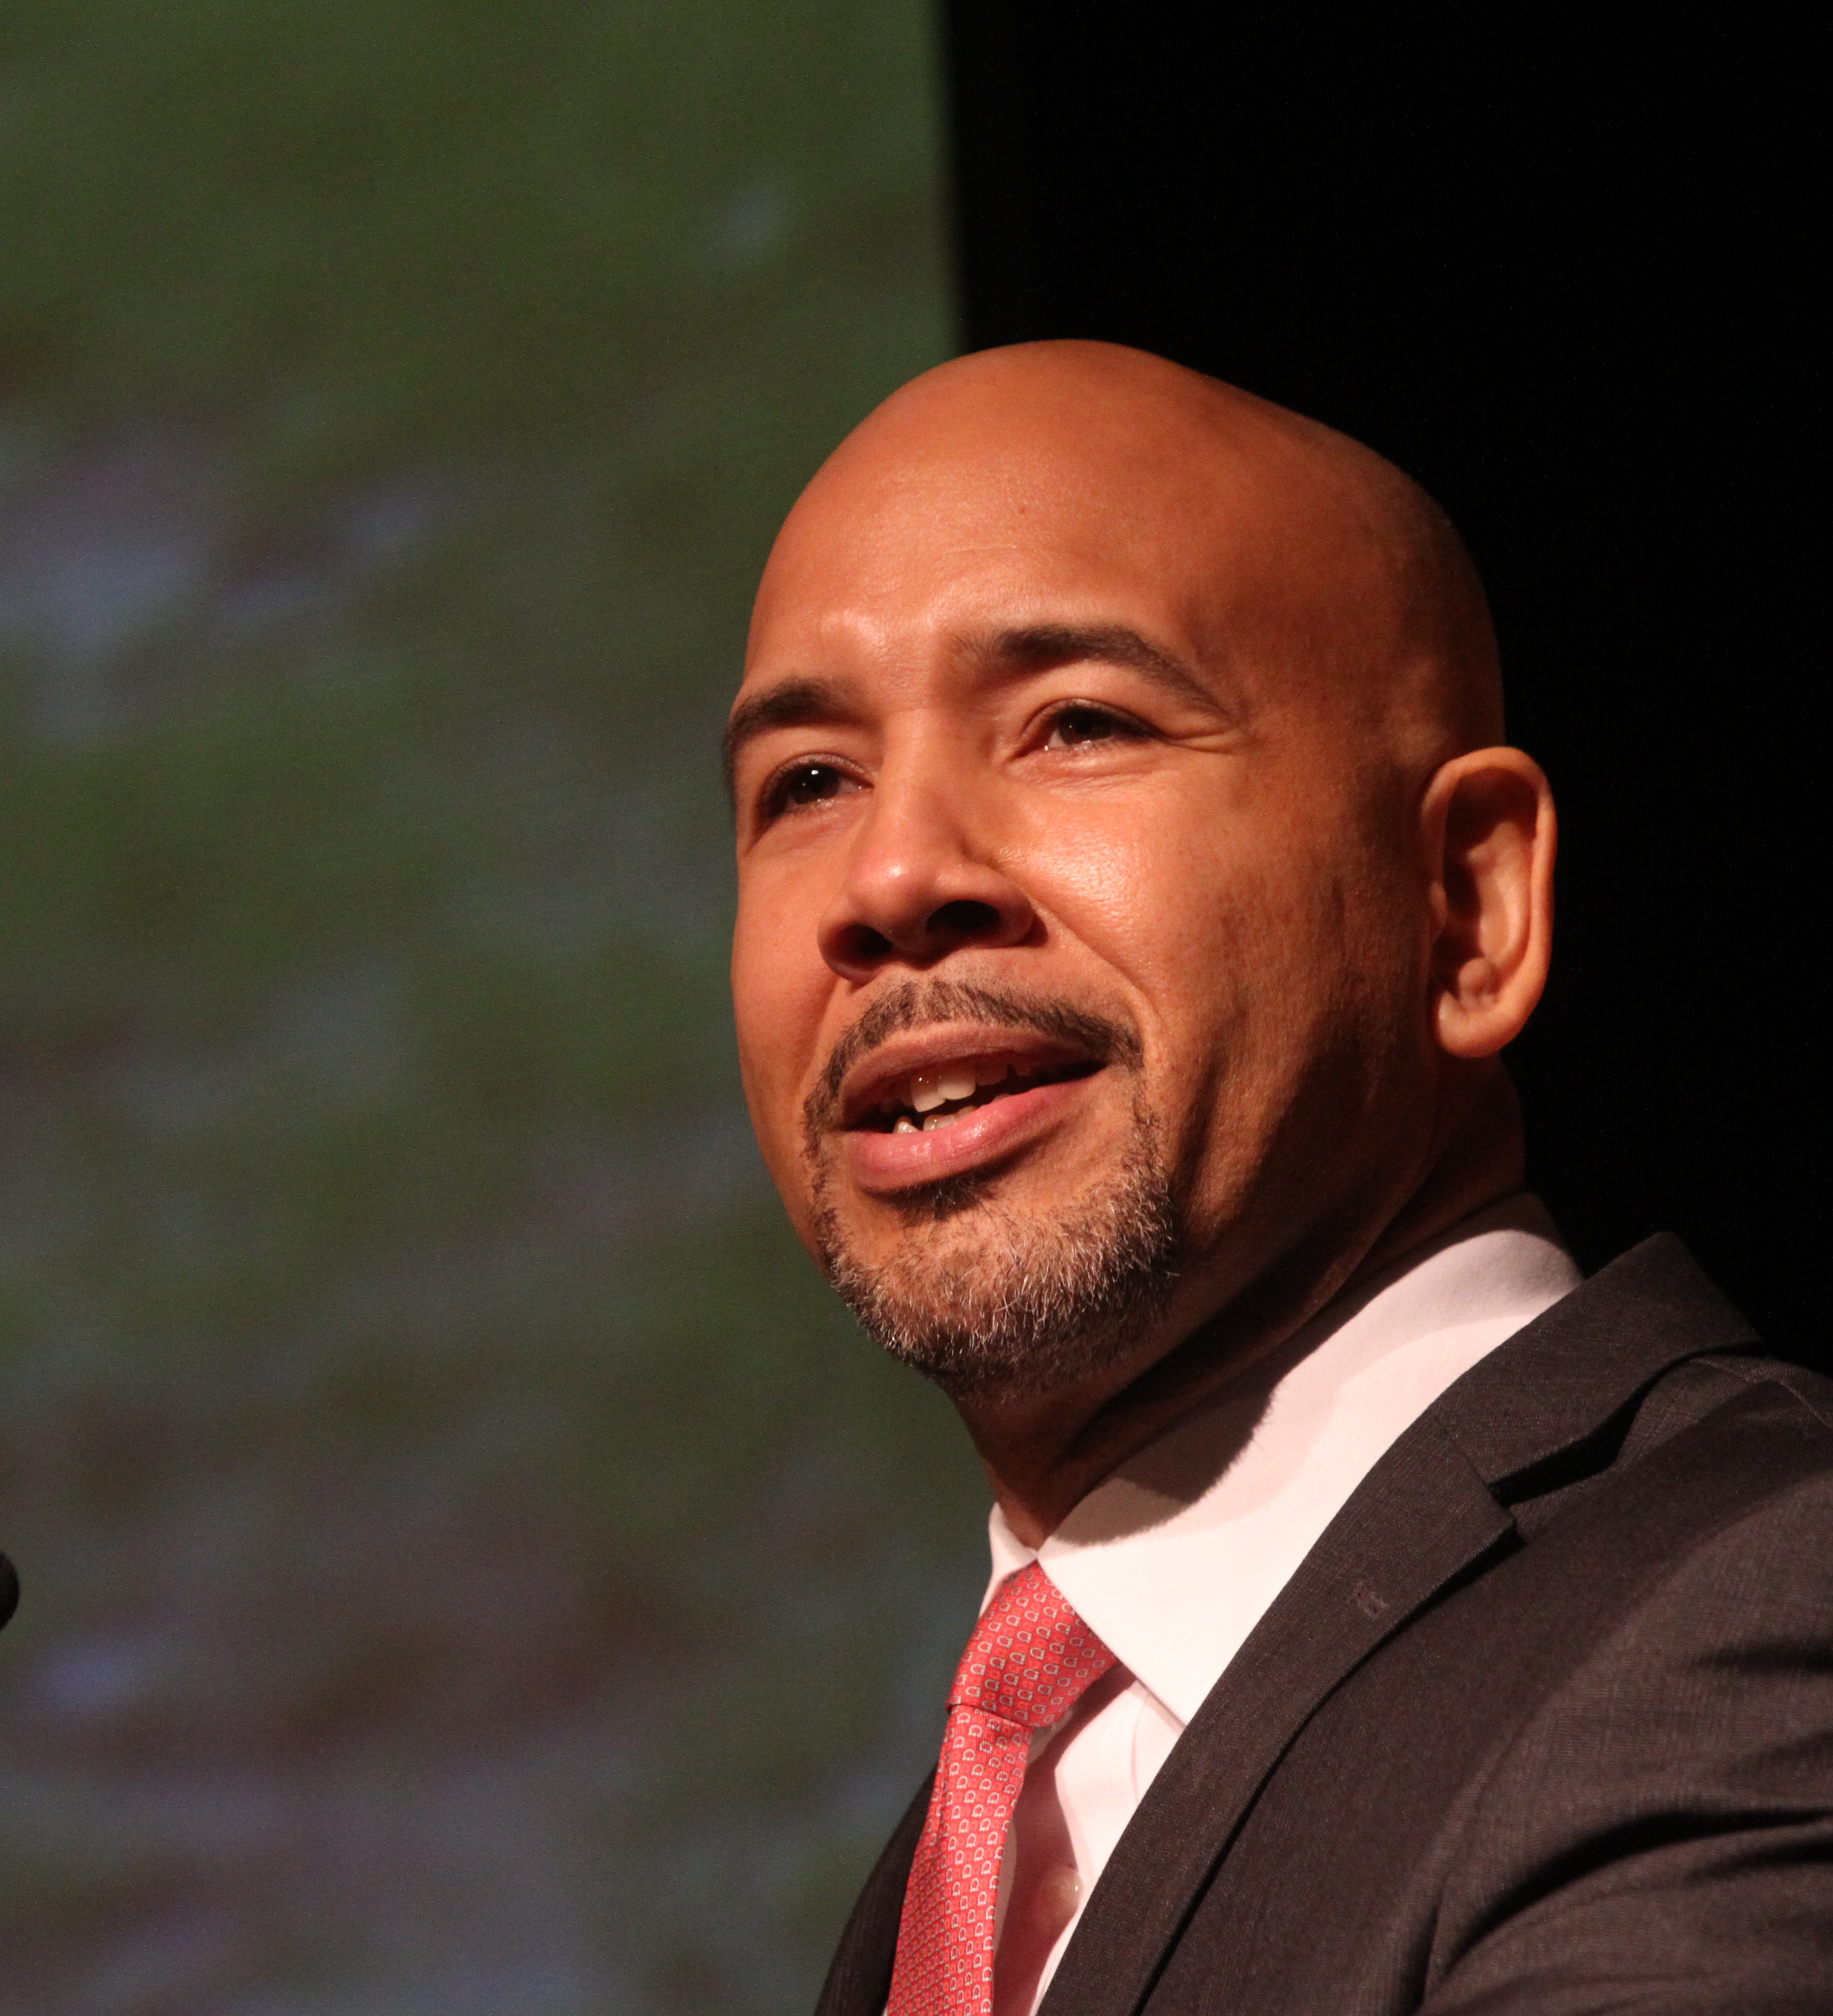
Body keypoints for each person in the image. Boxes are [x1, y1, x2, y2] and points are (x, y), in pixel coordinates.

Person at [722, 341, 1833, 2016]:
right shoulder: (996, 1824)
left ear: (1465, 908)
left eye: (1075, 725)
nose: (887, 875)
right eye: (807, 782)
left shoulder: (1754, 1626)